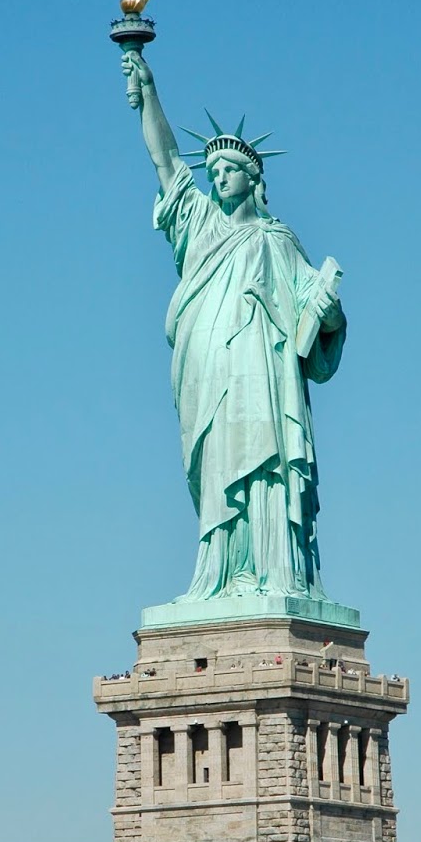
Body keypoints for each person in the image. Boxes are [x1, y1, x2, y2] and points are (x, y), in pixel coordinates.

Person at [120, 48, 346, 606]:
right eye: (214, 171)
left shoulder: (276, 241)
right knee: (219, 468)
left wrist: (328, 312)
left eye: (229, 170)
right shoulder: (198, 224)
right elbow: (166, 162)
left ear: (252, 179)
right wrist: (148, 93)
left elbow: (316, 321)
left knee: (266, 468)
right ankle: (221, 575)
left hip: (262, 379)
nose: (218, 178)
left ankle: (274, 572)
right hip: (209, 379)